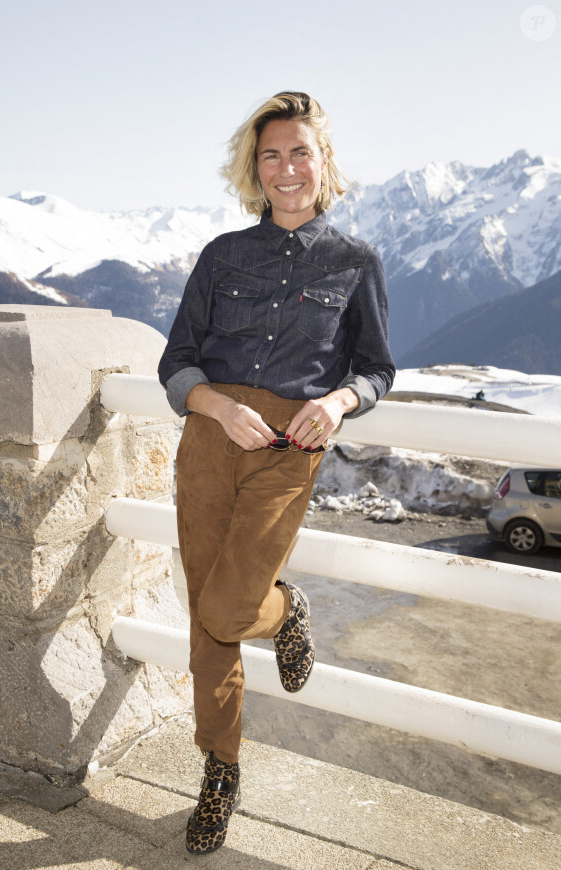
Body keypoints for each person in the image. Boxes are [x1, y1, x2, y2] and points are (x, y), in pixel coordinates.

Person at [158, 91, 395, 854]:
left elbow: (377, 368)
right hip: (209, 439)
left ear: (323, 165)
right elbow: (177, 361)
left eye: (300, 153)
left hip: (290, 450)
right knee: (206, 622)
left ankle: (283, 607)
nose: (287, 168)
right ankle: (220, 770)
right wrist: (217, 409)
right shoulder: (222, 256)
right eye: (271, 155)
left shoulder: (356, 262)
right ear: (253, 169)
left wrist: (340, 398)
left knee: (230, 610)